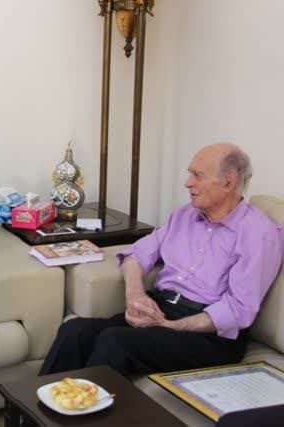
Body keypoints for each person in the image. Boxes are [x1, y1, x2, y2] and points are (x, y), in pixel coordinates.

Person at [40, 143, 284, 377]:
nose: (188, 183)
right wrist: (136, 295)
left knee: (115, 342)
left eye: (197, 175)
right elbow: (135, 255)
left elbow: (238, 309)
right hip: (163, 308)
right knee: (75, 331)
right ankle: (37, 405)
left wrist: (173, 327)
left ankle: (80, 405)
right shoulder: (184, 215)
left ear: (229, 182)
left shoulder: (259, 234)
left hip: (210, 335)